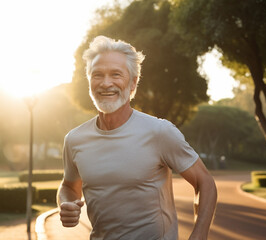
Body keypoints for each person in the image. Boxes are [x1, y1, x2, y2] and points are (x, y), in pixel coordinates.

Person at [57, 35, 217, 240]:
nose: (106, 83)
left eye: (116, 74)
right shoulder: (74, 139)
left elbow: (205, 182)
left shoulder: (159, 131)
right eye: (97, 75)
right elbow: (69, 186)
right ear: (89, 82)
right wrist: (66, 203)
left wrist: (199, 234)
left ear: (133, 83)